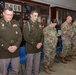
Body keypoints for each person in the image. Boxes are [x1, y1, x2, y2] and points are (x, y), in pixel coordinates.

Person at [0, 7, 22, 75]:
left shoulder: (15, 23)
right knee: (3, 72)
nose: (10, 16)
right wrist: (7, 47)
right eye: (8, 14)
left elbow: (20, 36)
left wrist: (16, 46)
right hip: (4, 52)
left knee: (15, 71)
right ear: (3, 13)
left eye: (11, 15)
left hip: (15, 52)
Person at [23, 10, 44, 75]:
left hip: (38, 48)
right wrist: (36, 44)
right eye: (35, 16)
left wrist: (41, 42)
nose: (36, 17)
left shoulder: (39, 24)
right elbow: (27, 37)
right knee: (29, 65)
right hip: (31, 48)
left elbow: (42, 35)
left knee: (37, 64)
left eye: (37, 16)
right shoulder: (27, 25)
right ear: (31, 15)